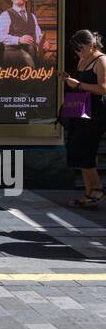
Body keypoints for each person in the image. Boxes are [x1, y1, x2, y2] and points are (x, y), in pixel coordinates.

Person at [60, 29, 106, 209]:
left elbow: (103, 89)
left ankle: (97, 189)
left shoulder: (101, 60)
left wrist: (78, 84)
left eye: (80, 49)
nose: (78, 53)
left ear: (91, 45)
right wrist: (68, 79)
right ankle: (89, 192)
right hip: (81, 108)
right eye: (76, 50)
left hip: (96, 111)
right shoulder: (83, 59)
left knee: (87, 149)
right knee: (77, 147)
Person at [0, 0, 47, 71]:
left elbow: (38, 36)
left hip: (32, 55)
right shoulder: (5, 15)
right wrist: (19, 39)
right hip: (13, 56)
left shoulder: (32, 16)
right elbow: (0, 37)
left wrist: (44, 43)